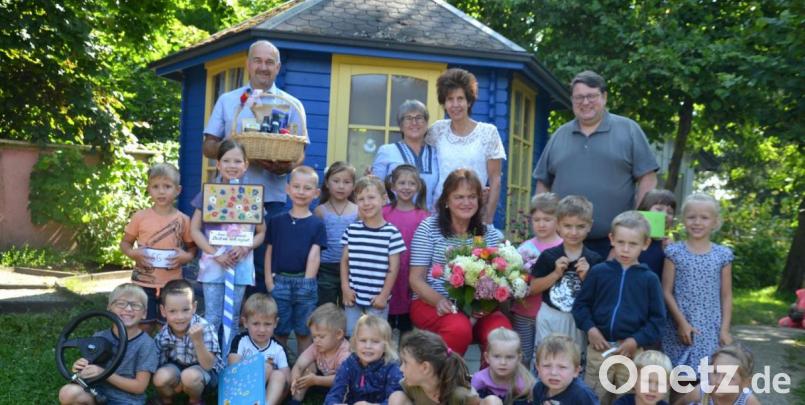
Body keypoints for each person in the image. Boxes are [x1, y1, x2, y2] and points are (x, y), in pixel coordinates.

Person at [202, 39, 308, 296]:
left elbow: (299, 154)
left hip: (269, 197)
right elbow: (208, 147)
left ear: (278, 67)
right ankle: (228, 324)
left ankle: (256, 328)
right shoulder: (228, 101)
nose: (263, 67)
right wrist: (239, 154)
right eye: (258, 61)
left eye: (269, 62)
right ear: (248, 64)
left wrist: (280, 165)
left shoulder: (291, 104)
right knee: (225, 260)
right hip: (226, 198)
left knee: (261, 265)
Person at [533, 70, 659, 258]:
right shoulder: (560, 135)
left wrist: (635, 229)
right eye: (579, 97)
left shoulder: (629, 130)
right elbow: (543, 183)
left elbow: (648, 179)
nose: (585, 102)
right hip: (563, 243)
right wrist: (543, 227)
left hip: (614, 245)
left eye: (591, 96)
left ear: (604, 97)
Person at [408, 169, 512, 356]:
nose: (466, 203)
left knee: (501, 333)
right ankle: (445, 381)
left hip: (479, 307)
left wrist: (485, 304)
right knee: (459, 328)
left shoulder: (489, 234)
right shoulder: (429, 228)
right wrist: (439, 300)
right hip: (432, 303)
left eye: (472, 197)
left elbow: (500, 275)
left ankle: (487, 384)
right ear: (446, 200)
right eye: (459, 197)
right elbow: (416, 279)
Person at [572, 211, 666, 405]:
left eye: (633, 244)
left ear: (645, 244)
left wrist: (636, 340)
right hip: (600, 349)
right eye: (621, 242)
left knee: (627, 398)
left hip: (631, 354)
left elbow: (658, 320)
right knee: (594, 397)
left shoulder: (649, 279)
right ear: (611, 239)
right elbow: (581, 306)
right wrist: (590, 329)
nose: (625, 249)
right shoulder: (599, 272)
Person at [190, 140, 266, 341]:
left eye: (237, 161)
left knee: (232, 319)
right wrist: (215, 253)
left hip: (240, 265)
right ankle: (211, 366)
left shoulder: (252, 195)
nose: (232, 165)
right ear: (218, 164)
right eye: (227, 160)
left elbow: (260, 233)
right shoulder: (208, 193)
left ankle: (229, 363)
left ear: (246, 165)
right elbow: (195, 229)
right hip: (213, 265)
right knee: (213, 317)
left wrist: (245, 247)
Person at [661, 193, 733, 372]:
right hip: (678, 327)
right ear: (683, 220)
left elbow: (726, 295)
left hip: (710, 329)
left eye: (704, 218)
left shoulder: (723, 255)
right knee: (678, 380)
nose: (697, 222)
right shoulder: (674, 252)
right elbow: (666, 291)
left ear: (715, 222)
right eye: (692, 217)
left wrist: (724, 330)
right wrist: (681, 323)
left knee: (705, 380)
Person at [120, 163, 196, 333]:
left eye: (167, 186)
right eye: (155, 187)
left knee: (168, 327)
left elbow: (192, 248)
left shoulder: (183, 220)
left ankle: (165, 357)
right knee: (143, 325)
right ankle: (143, 354)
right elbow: (125, 243)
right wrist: (133, 253)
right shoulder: (139, 217)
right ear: (149, 189)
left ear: (178, 190)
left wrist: (187, 257)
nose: (161, 192)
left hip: (172, 284)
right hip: (142, 282)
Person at [428, 68, 506, 224]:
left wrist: (488, 218)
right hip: (440, 212)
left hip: (474, 212)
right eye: (450, 99)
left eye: (460, 98)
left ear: (469, 101)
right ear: (444, 103)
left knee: (473, 249)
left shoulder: (488, 133)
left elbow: (495, 180)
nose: (455, 104)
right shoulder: (437, 130)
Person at [58, 283, 158, 405]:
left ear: (144, 313)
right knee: (67, 392)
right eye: (121, 303)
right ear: (109, 307)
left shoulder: (146, 344)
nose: (128, 309)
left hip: (127, 400)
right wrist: (80, 369)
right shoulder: (99, 337)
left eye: (136, 305)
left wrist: (102, 373)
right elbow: (89, 369)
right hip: (96, 393)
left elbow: (139, 387)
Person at [265, 165, 327, 355]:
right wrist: (269, 281)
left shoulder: (317, 224)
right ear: (287, 189)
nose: (301, 192)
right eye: (297, 186)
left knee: (304, 331)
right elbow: (269, 251)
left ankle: (303, 373)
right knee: (280, 330)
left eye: (307, 188)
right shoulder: (277, 220)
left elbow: (314, 255)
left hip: (305, 283)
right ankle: (279, 371)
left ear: (316, 193)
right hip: (279, 282)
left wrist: (307, 282)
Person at [529, 195, 603, 351]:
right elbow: (532, 288)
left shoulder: (594, 259)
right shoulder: (549, 256)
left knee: (573, 361)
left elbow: (600, 296)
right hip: (550, 316)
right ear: (558, 226)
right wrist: (555, 274)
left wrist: (586, 278)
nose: (573, 232)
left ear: (590, 226)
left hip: (578, 319)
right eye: (568, 226)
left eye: (580, 226)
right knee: (546, 358)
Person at [341, 175, 406, 336]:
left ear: (384, 199)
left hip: (377, 299)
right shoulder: (352, 230)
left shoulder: (392, 233)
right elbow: (344, 261)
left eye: (371, 197)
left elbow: (394, 267)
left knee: (376, 337)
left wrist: (384, 295)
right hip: (353, 297)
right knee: (352, 336)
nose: (366, 203)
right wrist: (345, 288)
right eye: (361, 199)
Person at [152, 279, 222, 405]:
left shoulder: (205, 328)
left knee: (189, 377)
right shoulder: (164, 333)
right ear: (163, 311)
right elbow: (156, 363)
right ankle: (167, 400)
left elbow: (208, 365)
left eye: (185, 310)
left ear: (194, 307)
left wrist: (198, 341)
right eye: (173, 311)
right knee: (160, 378)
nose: (180, 317)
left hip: (204, 372)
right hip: (178, 367)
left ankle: (195, 401)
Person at [512, 192, 562, 367]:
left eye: (547, 219)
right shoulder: (524, 248)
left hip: (551, 314)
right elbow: (519, 283)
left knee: (547, 356)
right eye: (537, 219)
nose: (541, 224)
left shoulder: (563, 247)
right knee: (523, 356)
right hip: (524, 312)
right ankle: (522, 392)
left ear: (558, 220)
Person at [383, 164, 430, 338]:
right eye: (402, 183)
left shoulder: (424, 215)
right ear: (393, 186)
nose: (406, 187)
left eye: (411, 183)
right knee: (384, 328)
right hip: (387, 275)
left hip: (411, 275)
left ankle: (406, 362)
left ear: (418, 186)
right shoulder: (384, 212)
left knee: (407, 330)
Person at [372, 99, 440, 210]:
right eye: (408, 118)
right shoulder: (386, 151)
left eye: (419, 118)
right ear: (400, 125)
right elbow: (376, 189)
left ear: (426, 123)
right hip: (393, 221)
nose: (414, 123)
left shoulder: (436, 154)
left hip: (429, 221)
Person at [324, 315, 403, 405]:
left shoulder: (391, 367)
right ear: (355, 342)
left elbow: (397, 398)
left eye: (375, 341)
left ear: (385, 346)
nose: (368, 346)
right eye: (363, 340)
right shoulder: (349, 364)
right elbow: (334, 393)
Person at [389, 329, 482, 405]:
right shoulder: (410, 386)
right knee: (396, 397)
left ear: (425, 368)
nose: (401, 368)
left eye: (405, 362)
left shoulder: (461, 396)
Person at [227, 293, 289, 405]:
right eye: (256, 324)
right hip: (242, 390)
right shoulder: (241, 341)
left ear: (275, 323)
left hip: (268, 395)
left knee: (279, 375)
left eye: (267, 324)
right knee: (265, 367)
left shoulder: (278, 348)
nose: (262, 329)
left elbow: (287, 379)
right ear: (245, 322)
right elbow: (233, 369)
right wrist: (258, 367)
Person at [314, 161, 358, 307]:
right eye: (336, 181)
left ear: (353, 186)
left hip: (352, 267)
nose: (341, 186)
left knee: (349, 306)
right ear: (327, 183)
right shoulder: (320, 211)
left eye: (346, 182)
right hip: (326, 267)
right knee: (326, 307)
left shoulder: (358, 211)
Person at [290, 303, 352, 405]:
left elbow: (342, 378)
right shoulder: (316, 346)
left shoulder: (345, 353)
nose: (316, 341)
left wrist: (316, 380)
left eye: (321, 336)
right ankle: (295, 400)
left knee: (347, 388)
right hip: (320, 380)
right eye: (314, 337)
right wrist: (295, 379)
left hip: (340, 384)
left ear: (338, 334)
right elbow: (299, 365)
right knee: (308, 368)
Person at [673, 344, 760, 405]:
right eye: (715, 372)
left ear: (745, 383)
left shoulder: (748, 401)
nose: (718, 381)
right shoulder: (701, 392)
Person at [471, 328, 535, 405]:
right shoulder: (479, 379)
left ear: (519, 359)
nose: (503, 362)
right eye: (497, 356)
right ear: (487, 357)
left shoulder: (523, 383)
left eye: (509, 357)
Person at [532, 334, 598, 404]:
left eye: (562, 367)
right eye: (547, 366)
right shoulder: (538, 389)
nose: (553, 372)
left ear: (576, 371)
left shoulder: (583, 395)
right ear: (538, 368)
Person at [637, 189, 677, 281]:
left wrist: (671, 252)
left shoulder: (668, 245)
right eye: (659, 209)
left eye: (670, 212)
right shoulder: (630, 239)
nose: (665, 214)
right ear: (644, 210)